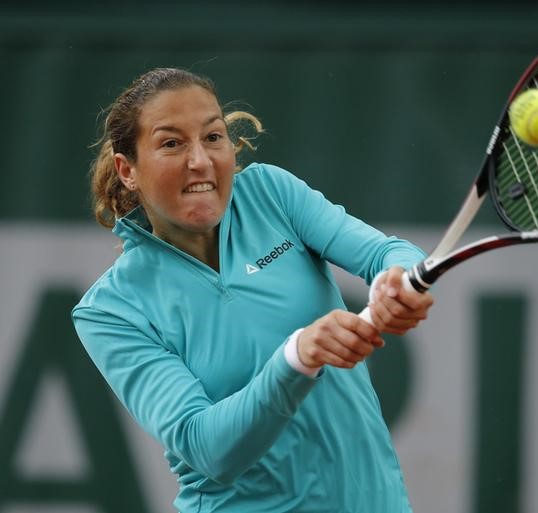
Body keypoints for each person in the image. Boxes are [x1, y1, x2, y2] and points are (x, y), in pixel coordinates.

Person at [72, 67, 434, 513]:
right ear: (128, 170)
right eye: (172, 143)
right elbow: (205, 447)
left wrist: (394, 279)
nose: (200, 161)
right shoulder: (111, 310)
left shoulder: (270, 193)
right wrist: (297, 356)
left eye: (213, 137)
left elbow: (388, 252)